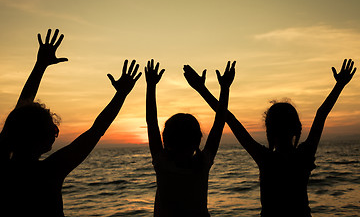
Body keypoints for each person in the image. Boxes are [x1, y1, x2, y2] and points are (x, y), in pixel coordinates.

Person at [183, 59, 356, 217]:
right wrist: (339, 85)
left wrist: (202, 89)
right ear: (297, 128)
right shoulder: (303, 154)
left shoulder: (266, 158)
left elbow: (229, 119)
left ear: (269, 130)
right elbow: (321, 115)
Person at [0, 29, 142, 217]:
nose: (56, 131)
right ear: (37, 136)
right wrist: (121, 95)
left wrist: (40, 66)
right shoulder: (49, 172)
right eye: (51, 127)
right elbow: (97, 130)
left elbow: (20, 113)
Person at [145, 59, 235, 216]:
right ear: (198, 140)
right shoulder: (202, 164)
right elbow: (220, 122)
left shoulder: (162, 163)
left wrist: (151, 85)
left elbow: (151, 121)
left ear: (165, 139)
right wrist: (225, 88)